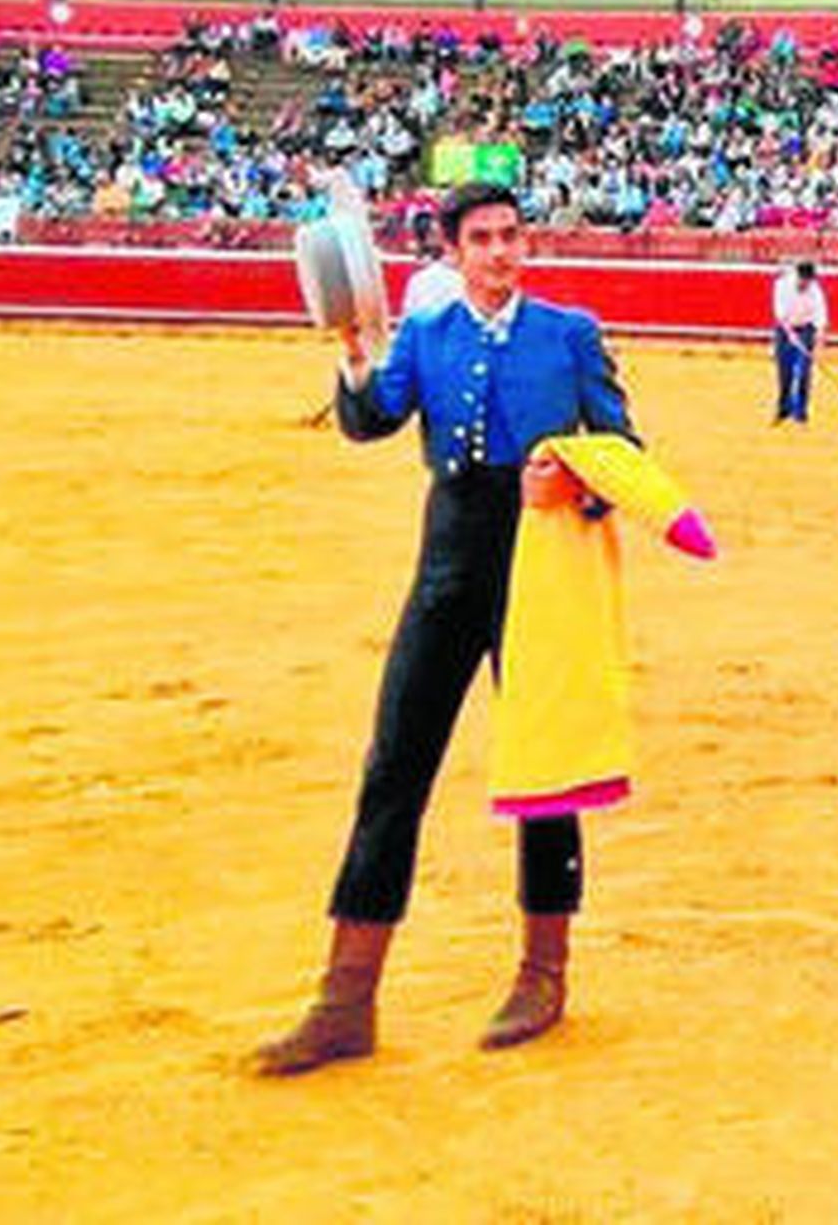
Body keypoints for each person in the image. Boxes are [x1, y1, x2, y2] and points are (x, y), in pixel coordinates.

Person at [254, 181, 638, 1076]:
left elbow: (626, 450)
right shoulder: (427, 334)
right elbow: (372, 421)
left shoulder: (569, 332)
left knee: (546, 767)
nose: (502, 251)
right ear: (454, 251)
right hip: (450, 560)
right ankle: (346, 999)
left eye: (511, 235)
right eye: (483, 239)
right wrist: (354, 354)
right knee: (394, 762)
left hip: (542, 561)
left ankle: (545, 973)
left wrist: (578, 479)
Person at [771, 259, 828, 424]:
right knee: (784, 372)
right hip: (784, 330)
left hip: (806, 330)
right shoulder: (782, 285)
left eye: (808, 281)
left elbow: (821, 320)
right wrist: (790, 334)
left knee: (804, 372)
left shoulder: (815, 291)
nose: (804, 284)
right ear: (797, 276)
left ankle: (800, 412)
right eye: (802, 280)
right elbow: (780, 314)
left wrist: (818, 344)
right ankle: (783, 409)